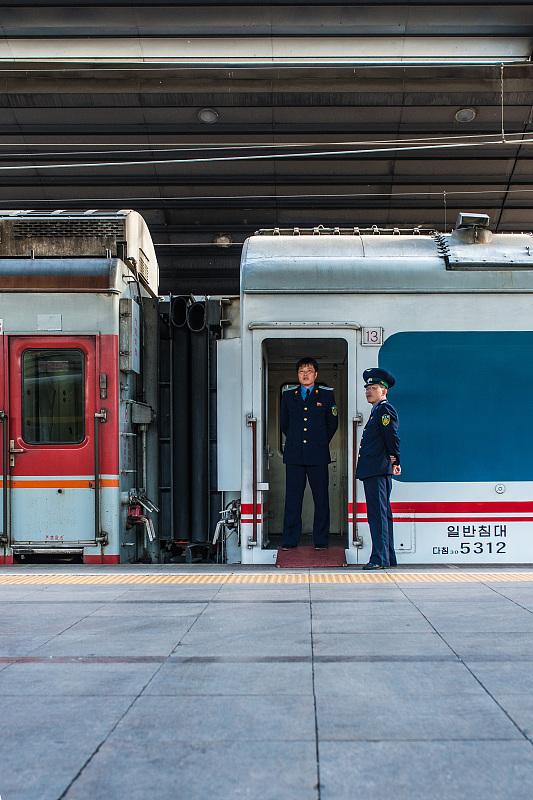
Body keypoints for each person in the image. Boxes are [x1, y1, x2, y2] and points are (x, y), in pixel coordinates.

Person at [280, 357, 338, 550]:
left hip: (318, 455)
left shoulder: (326, 395)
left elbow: (332, 424)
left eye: (309, 370)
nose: (305, 374)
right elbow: (284, 424)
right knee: (293, 498)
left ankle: (321, 540)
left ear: (316, 374)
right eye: (301, 371)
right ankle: (290, 539)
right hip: (295, 455)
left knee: (321, 498)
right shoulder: (288, 396)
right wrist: (299, 442)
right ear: (298, 375)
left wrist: (318, 442)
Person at [355, 368, 401, 570]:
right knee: (382, 513)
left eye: (373, 388)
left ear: (384, 391)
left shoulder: (384, 410)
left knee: (378, 514)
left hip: (377, 469)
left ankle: (379, 558)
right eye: (367, 388)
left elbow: (391, 436)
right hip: (375, 468)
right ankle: (387, 557)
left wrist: (396, 460)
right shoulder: (376, 412)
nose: (368, 391)